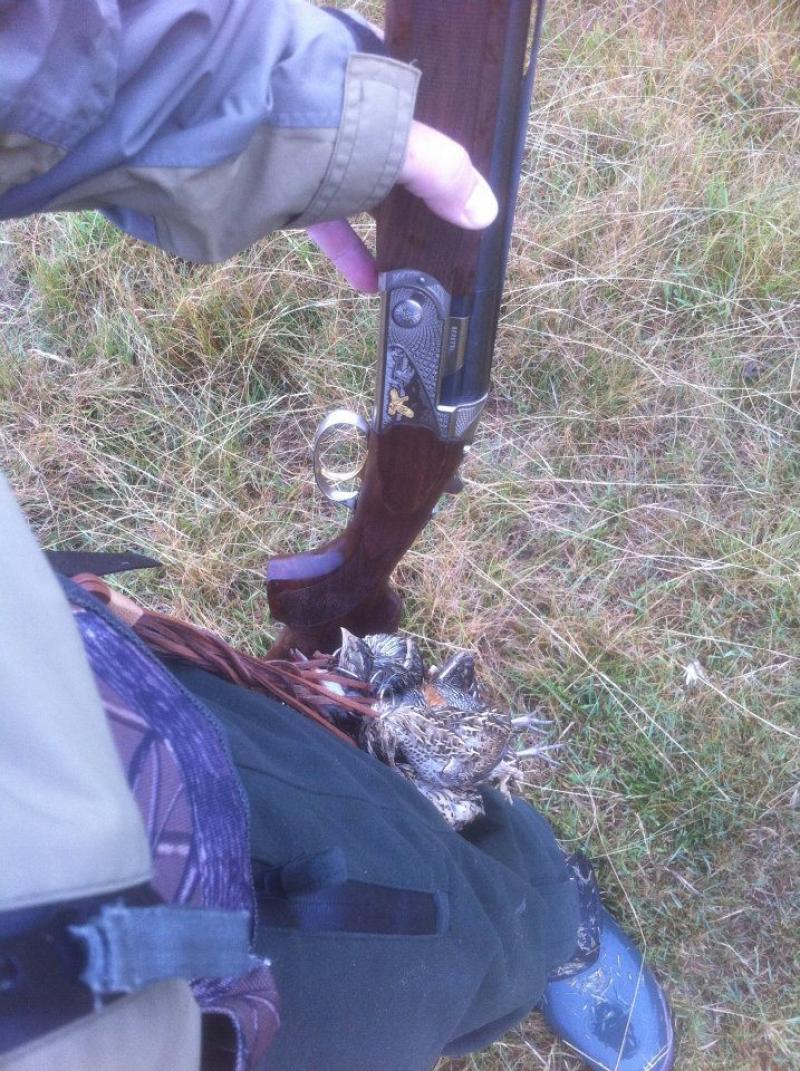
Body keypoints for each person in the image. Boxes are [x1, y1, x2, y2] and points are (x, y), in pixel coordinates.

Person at [0, 4, 676, 1070]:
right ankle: (530, 927)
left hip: (58, 705)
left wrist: (301, 109)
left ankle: (541, 910)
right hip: (130, 982)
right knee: (420, 964)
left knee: (431, 908)